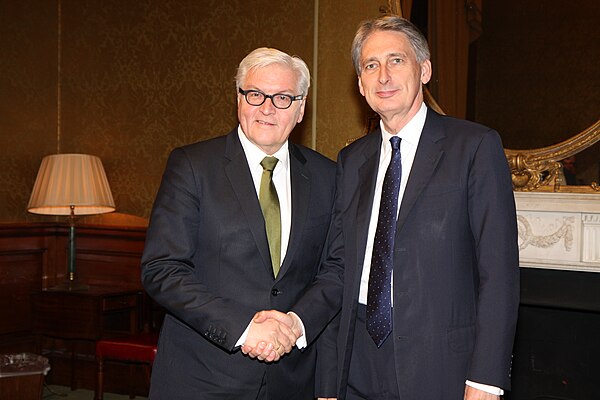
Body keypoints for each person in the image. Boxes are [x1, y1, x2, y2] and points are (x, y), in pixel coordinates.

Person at [246, 16, 520, 400]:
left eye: (396, 61)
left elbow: (499, 274)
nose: (383, 76)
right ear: (359, 84)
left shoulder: (473, 148)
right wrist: (322, 369)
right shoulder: (351, 160)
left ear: (424, 70)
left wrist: (485, 380)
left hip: (440, 364)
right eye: (370, 66)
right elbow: (338, 268)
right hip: (355, 359)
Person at [141, 47, 337, 400]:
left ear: (301, 108)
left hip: (293, 381)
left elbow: (336, 269)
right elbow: (162, 269)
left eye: (282, 97)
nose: (267, 107)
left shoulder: (328, 176)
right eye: (256, 94)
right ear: (239, 99)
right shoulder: (192, 166)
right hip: (202, 378)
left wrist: (296, 324)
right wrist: (244, 329)